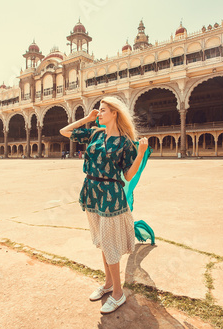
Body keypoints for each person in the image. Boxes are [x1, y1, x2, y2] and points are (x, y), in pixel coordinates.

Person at [60, 96, 148, 315]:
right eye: (99, 111)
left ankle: (118, 294)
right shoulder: (96, 133)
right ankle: (108, 284)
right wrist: (86, 118)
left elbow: (128, 174)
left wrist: (140, 154)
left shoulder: (125, 142)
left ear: (114, 113)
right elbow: (64, 132)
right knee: (101, 241)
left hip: (110, 195)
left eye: (102, 110)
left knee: (109, 245)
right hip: (91, 192)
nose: (99, 113)